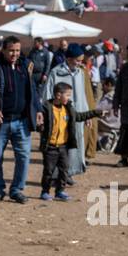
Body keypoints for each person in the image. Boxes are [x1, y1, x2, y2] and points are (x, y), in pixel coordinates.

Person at [0, 35, 43, 202]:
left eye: (17, 50)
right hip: (0, 123)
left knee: (23, 157)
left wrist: (38, 109)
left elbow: (33, 90)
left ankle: (16, 190)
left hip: (22, 122)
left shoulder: (25, 67)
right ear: (3, 50)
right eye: (11, 50)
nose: (15, 54)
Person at [39, 81, 101, 201]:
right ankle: (45, 191)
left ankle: (60, 191)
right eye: (67, 95)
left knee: (64, 170)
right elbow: (39, 123)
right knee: (48, 171)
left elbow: (79, 117)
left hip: (63, 147)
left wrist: (95, 113)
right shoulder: (47, 108)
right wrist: (40, 126)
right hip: (50, 147)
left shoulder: (68, 108)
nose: (69, 98)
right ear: (58, 95)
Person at [41, 42, 91, 177]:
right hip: (60, 117)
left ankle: (68, 173)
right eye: (77, 60)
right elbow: (47, 95)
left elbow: (82, 96)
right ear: (68, 59)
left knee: (75, 146)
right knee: (60, 146)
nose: (80, 63)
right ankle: (56, 175)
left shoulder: (80, 73)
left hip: (76, 117)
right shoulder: (56, 72)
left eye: (81, 61)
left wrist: (86, 116)